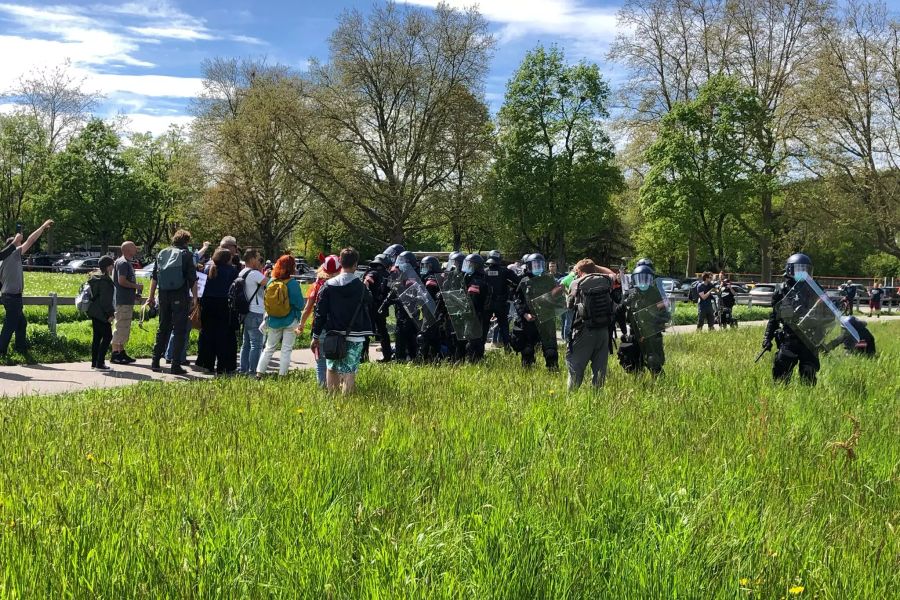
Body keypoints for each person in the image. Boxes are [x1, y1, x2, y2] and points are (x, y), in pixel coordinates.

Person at [311, 247, 374, 394]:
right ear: (355, 265)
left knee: (331, 367)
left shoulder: (328, 285)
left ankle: (332, 399)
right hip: (355, 334)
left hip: (333, 334)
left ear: (340, 262)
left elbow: (320, 312)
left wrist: (315, 335)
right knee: (349, 370)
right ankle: (346, 403)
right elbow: (369, 302)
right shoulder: (361, 286)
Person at [762, 253, 820, 385]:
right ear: (790, 270)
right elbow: (774, 317)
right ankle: (781, 400)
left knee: (808, 373)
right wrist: (767, 338)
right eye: (800, 269)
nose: (803, 273)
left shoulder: (815, 289)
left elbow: (825, 314)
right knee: (781, 373)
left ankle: (807, 401)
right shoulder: (781, 290)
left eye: (806, 269)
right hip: (789, 337)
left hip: (809, 338)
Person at [147, 229, 199, 376]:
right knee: (179, 330)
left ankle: (155, 361)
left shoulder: (162, 253)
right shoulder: (186, 255)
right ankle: (175, 365)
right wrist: (194, 298)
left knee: (163, 327)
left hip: (163, 295)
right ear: (186, 241)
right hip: (180, 295)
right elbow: (192, 278)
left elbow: (154, 277)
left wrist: (151, 296)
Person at [0, 219, 53, 356]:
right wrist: (42, 227)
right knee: (9, 325)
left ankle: (20, 348)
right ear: (14, 245)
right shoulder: (14, 254)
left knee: (21, 322)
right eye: (19, 243)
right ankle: (2, 352)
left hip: (7, 296)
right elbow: (31, 240)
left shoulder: (3, 260)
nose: (21, 245)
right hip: (13, 298)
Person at [565, 259, 619, 390]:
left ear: (578, 271)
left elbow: (569, 305)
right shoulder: (606, 280)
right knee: (599, 370)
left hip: (584, 330)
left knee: (575, 366)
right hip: (604, 332)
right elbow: (613, 274)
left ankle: (571, 398)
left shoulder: (576, 283)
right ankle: (597, 399)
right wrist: (596, 267)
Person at [616, 261, 668, 376]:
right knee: (633, 364)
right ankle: (639, 384)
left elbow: (666, 314)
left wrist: (657, 322)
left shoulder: (656, 293)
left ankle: (660, 386)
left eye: (646, 277)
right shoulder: (630, 293)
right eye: (640, 277)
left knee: (654, 364)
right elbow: (619, 311)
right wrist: (624, 331)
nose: (643, 280)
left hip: (652, 334)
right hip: (635, 333)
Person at [256, 255, 304, 377]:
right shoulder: (292, 283)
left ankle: (259, 373)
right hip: (290, 320)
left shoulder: (272, 281)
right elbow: (299, 304)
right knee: (286, 349)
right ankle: (282, 375)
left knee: (269, 348)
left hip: (273, 320)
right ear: (292, 267)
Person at [512, 253, 561, 371]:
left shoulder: (549, 280)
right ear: (529, 266)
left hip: (546, 320)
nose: (537, 267)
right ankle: (527, 373)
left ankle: (553, 372)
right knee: (527, 350)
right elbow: (517, 300)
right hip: (529, 321)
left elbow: (557, 298)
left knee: (551, 351)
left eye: (539, 264)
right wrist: (524, 314)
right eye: (535, 264)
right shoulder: (524, 281)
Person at [298, 255, 340, 386]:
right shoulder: (342, 285)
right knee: (337, 363)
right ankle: (336, 390)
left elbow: (307, 309)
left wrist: (301, 324)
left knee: (321, 363)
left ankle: (323, 390)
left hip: (320, 328)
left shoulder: (317, 286)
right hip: (339, 328)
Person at [196, 248, 239, 375]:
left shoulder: (207, 269)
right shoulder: (232, 271)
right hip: (224, 305)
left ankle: (206, 363)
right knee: (225, 336)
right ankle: (224, 366)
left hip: (207, 304)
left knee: (207, 335)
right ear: (228, 258)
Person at [110, 241, 143, 364]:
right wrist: (136, 286)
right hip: (122, 301)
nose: (136, 249)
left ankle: (121, 352)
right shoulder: (123, 263)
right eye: (134, 247)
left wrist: (134, 295)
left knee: (124, 327)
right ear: (128, 249)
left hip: (126, 299)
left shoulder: (124, 262)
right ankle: (115, 354)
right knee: (120, 326)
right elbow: (122, 281)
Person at [237, 249, 269, 376]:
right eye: (258, 258)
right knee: (256, 344)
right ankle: (253, 371)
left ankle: (243, 369)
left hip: (245, 312)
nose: (259, 260)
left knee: (246, 343)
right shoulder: (254, 274)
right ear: (251, 259)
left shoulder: (242, 272)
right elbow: (269, 283)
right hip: (256, 311)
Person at [483, 250, 519, 350]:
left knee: (485, 326)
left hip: (487, 304)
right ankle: (507, 348)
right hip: (501, 303)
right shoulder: (505, 271)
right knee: (504, 327)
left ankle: (480, 349)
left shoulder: (484, 272)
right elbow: (518, 282)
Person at [86, 256, 116, 370]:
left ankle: (94, 362)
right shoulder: (105, 281)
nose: (113, 267)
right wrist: (110, 314)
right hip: (102, 313)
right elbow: (105, 300)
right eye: (112, 265)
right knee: (108, 337)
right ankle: (100, 363)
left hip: (94, 311)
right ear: (108, 267)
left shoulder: (95, 278)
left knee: (97, 338)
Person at [462, 253, 492, 362]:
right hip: (479, 316)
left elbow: (472, 301)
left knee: (473, 342)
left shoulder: (476, 282)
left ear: (476, 266)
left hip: (476, 316)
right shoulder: (474, 278)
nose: (467, 266)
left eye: (470, 264)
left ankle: (473, 362)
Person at [363, 254, 393, 362]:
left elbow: (367, 281)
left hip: (370, 307)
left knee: (365, 332)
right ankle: (387, 356)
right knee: (383, 332)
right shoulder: (385, 274)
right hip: (381, 307)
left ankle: (364, 358)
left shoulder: (372, 272)